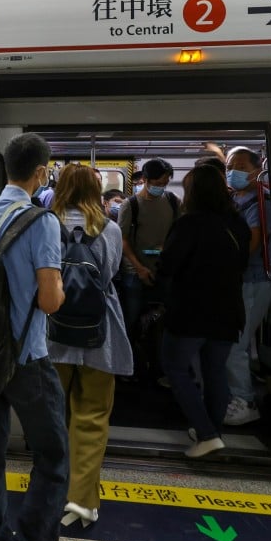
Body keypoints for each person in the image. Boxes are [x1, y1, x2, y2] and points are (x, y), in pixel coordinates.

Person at [0, 133, 67, 541]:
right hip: (27, 360)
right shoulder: (41, 223)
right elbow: (49, 300)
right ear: (41, 173)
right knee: (52, 456)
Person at [47, 164, 132, 528]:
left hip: (53, 336)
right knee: (93, 416)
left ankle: (52, 491)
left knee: (54, 416)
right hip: (101, 337)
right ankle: (82, 500)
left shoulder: (44, 225)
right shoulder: (109, 228)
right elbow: (110, 273)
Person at [157, 166, 250, 458]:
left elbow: (168, 266)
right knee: (215, 372)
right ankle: (212, 432)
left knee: (175, 368)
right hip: (228, 309)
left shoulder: (189, 224)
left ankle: (207, 433)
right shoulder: (238, 224)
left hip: (191, 310)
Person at [224, 146, 271, 426]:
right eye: (231, 166)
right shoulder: (238, 199)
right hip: (244, 280)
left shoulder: (260, 202)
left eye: (243, 166)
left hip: (254, 279)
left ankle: (245, 401)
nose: (234, 171)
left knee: (235, 343)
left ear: (258, 170)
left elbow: (252, 246)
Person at [117, 158, 179, 383]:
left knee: (164, 321)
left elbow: (178, 233)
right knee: (131, 320)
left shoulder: (172, 201)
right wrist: (139, 267)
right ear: (144, 180)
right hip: (134, 271)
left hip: (162, 270)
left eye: (165, 182)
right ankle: (128, 366)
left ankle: (160, 366)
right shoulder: (130, 205)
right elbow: (123, 240)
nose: (161, 187)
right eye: (157, 182)